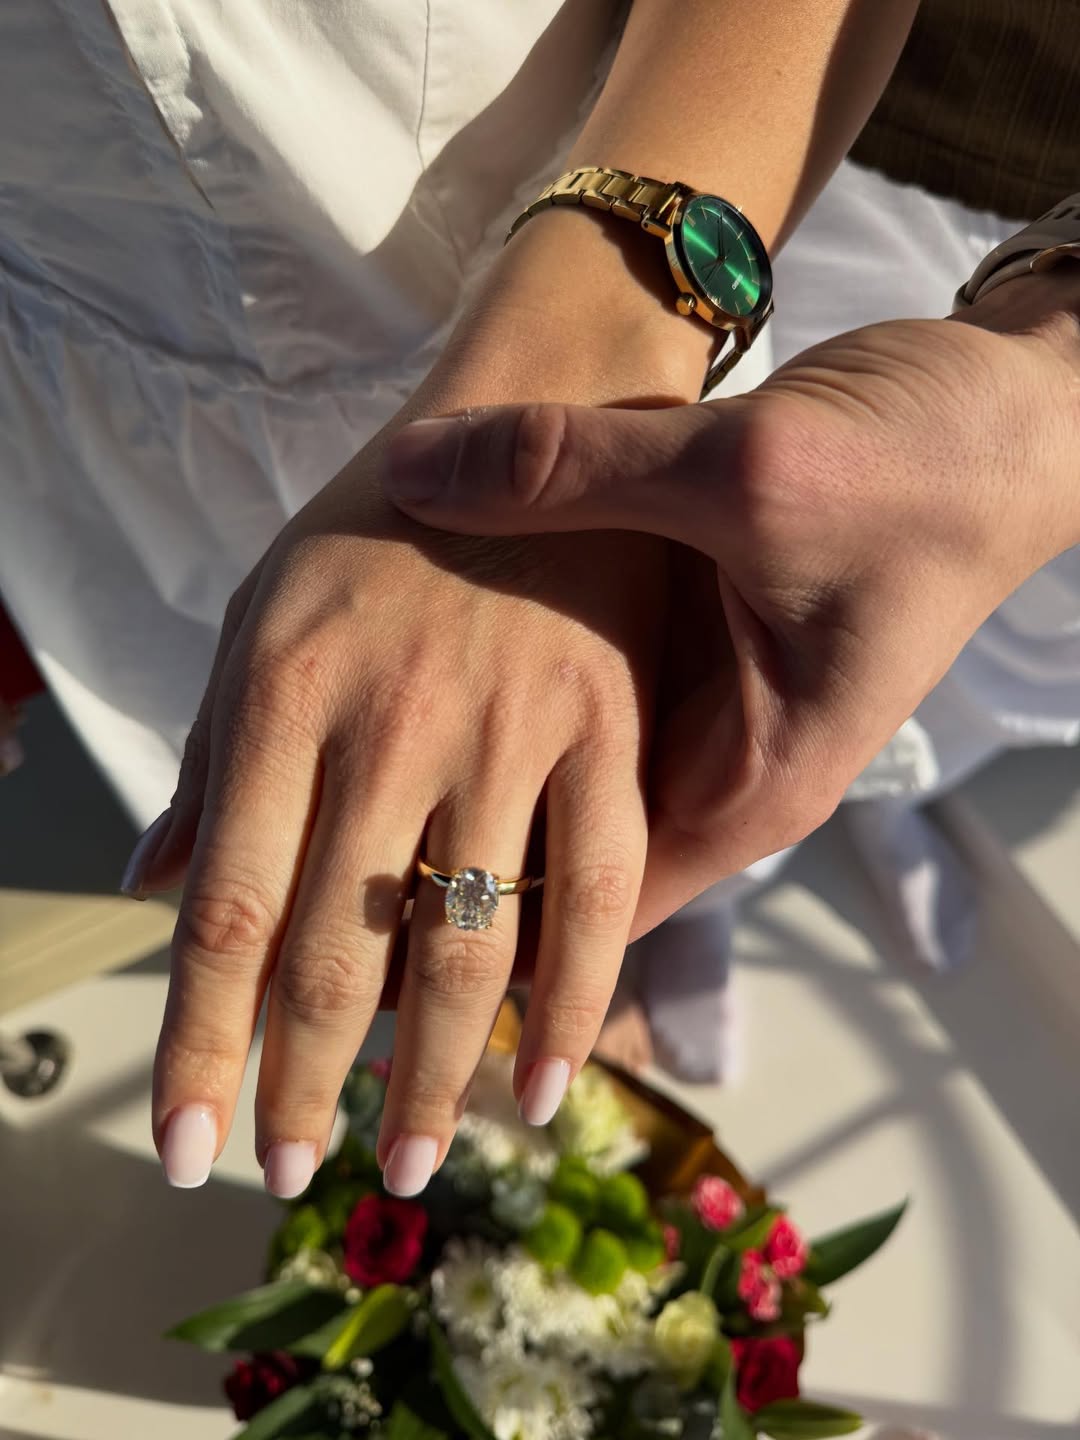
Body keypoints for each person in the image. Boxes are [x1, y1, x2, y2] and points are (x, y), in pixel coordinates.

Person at [0, 0, 1076, 1201]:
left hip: (556, 242)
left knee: (712, 722)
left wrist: (586, 359)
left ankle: (678, 888)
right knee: (310, 771)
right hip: (87, 357)